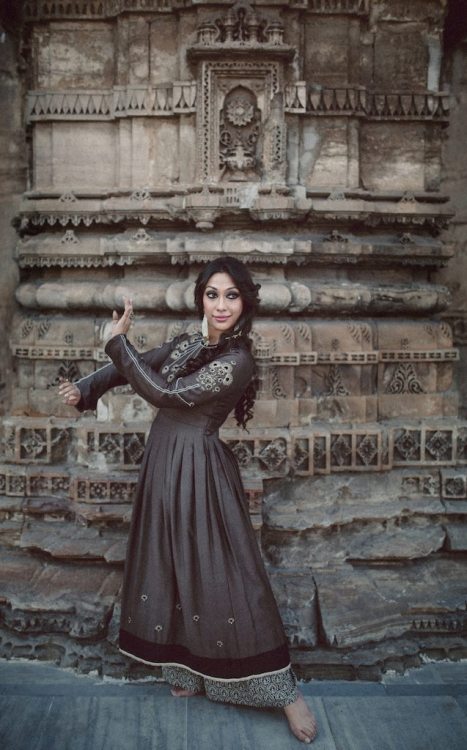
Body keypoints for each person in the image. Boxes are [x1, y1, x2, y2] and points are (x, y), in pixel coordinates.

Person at [58, 256, 317, 743]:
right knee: (171, 563)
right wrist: (85, 388)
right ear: (201, 298)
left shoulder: (237, 361)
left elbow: (165, 394)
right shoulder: (188, 344)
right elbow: (134, 370)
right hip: (163, 464)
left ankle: (286, 694)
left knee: (226, 572)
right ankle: (187, 669)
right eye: (213, 294)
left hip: (200, 468)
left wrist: (117, 342)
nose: (221, 305)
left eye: (231, 295)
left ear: (245, 303)